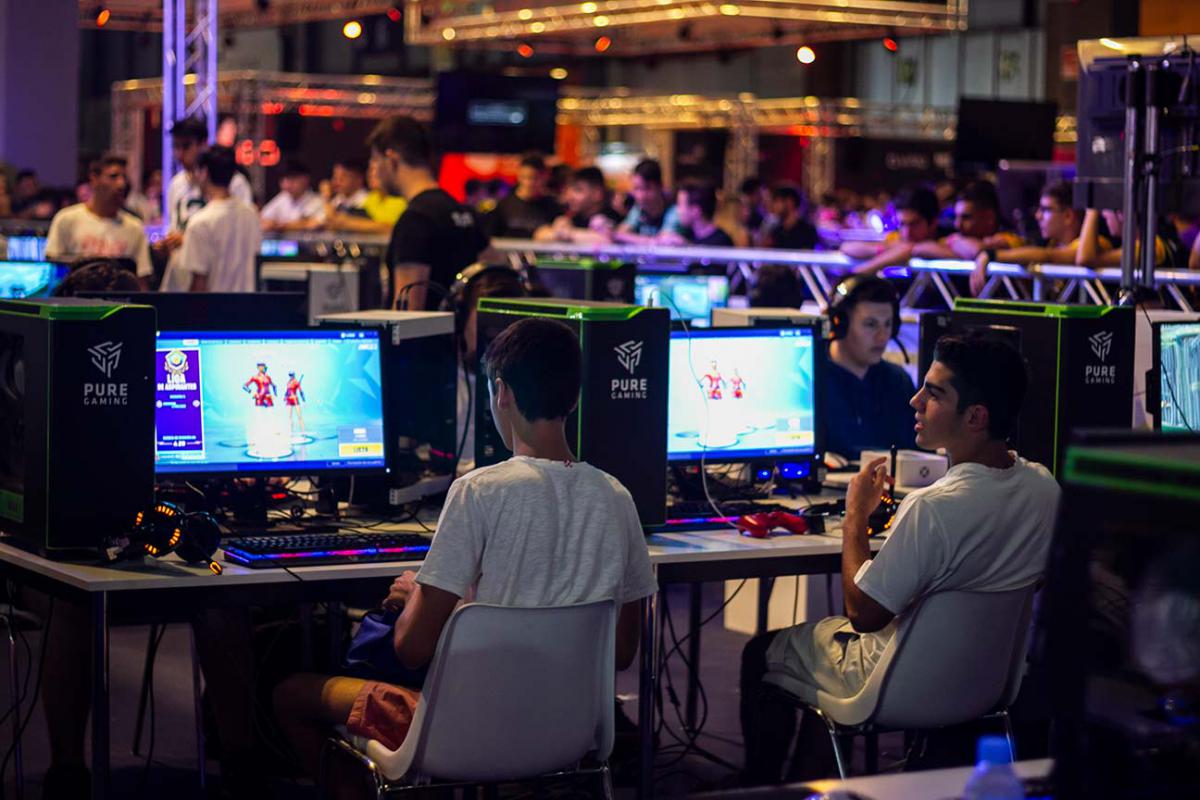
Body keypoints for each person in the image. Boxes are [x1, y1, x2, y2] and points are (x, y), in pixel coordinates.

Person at [272, 317, 658, 783]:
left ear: (502, 393)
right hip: (569, 735)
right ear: (574, 398)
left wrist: (416, 595)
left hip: (463, 730)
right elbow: (621, 653)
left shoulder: (477, 492)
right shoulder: (616, 498)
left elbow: (412, 649)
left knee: (290, 695)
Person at [740, 335, 1060, 784]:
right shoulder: (1044, 488)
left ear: (975, 417)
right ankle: (812, 774)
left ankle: (760, 789)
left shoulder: (933, 507)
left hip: (892, 686)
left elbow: (863, 614)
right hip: (985, 687)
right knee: (817, 653)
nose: (915, 400)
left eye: (934, 393)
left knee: (760, 653)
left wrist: (855, 516)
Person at [367, 115, 490, 310]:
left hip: (429, 330)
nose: (374, 170)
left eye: (375, 160)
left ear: (391, 159)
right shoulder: (463, 211)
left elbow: (408, 311)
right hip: (457, 329)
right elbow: (493, 274)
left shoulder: (415, 219)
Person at [821, 277, 916, 459]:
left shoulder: (898, 382)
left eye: (888, 324)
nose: (882, 337)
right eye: (871, 325)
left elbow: (918, 454)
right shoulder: (809, 379)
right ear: (840, 323)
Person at [159, 117, 256, 290]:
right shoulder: (176, 184)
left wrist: (189, 238)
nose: (180, 154)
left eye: (186, 146)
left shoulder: (234, 183)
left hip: (218, 283)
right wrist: (169, 243)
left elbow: (237, 238)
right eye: (176, 147)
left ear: (203, 144)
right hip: (180, 278)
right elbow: (174, 226)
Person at [969, 180, 1107, 296]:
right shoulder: (1051, 243)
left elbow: (1050, 256)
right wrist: (997, 245)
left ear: (1068, 216)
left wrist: (991, 255)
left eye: (1045, 209)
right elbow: (1022, 246)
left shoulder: (1094, 245)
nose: (1037, 216)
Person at [45, 154, 153, 287]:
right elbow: (53, 271)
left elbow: (141, 280)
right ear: (94, 179)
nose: (121, 184)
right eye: (113, 176)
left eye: (124, 177)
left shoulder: (134, 227)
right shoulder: (66, 219)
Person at [178, 146, 262, 292]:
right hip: (248, 304)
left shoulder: (200, 222)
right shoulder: (252, 215)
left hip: (214, 305)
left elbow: (199, 284)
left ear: (204, 172)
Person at [909, 179, 1023, 261]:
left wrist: (955, 244)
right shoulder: (957, 238)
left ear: (989, 218)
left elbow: (977, 250)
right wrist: (960, 247)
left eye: (966, 217)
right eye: (956, 217)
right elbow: (919, 248)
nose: (957, 224)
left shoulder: (1010, 240)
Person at [842, 185, 940, 276]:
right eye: (902, 224)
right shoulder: (895, 239)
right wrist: (887, 249)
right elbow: (847, 247)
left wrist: (862, 271)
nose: (907, 232)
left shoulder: (944, 241)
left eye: (914, 224)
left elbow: (915, 248)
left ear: (933, 223)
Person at [533, 166, 622, 243]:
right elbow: (539, 235)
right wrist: (559, 230)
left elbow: (606, 240)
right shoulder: (574, 218)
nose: (570, 197)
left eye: (578, 190)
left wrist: (569, 234)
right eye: (569, 189)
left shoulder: (612, 218)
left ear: (597, 194)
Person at [485, 153, 561, 239]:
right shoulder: (503, 206)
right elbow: (492, 238)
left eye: (534, 178)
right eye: (524, 177)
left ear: (544, 177)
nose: (528, 183)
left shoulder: (552, 206)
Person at [612, 159, 682, 244]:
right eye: (636, 188)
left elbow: (662, 242)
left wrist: (623, 236)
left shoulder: (674, 211)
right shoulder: (639, 209)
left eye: (646, 188)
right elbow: (620, 233)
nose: (640, 196)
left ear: (660, 187)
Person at [260, 160, 326, 232]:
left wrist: (284, 226)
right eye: (285, 180)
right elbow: (263, 218)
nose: (287, 184)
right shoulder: (283, 197)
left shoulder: (317, 201)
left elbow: (315, 223)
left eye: (293, 179)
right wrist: (271, 224)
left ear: (305, 179)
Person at [666, 181, 734, 247]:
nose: (677, 210)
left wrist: (687, 246)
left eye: (680, 205)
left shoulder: (721, 242)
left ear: (696, 211)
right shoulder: (686, 234)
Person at [766, 185, 819, 251]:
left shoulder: (807, 230)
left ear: (790, 202)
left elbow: (807, 254)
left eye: (776, 201)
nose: (774, 206)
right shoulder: (776, 231)